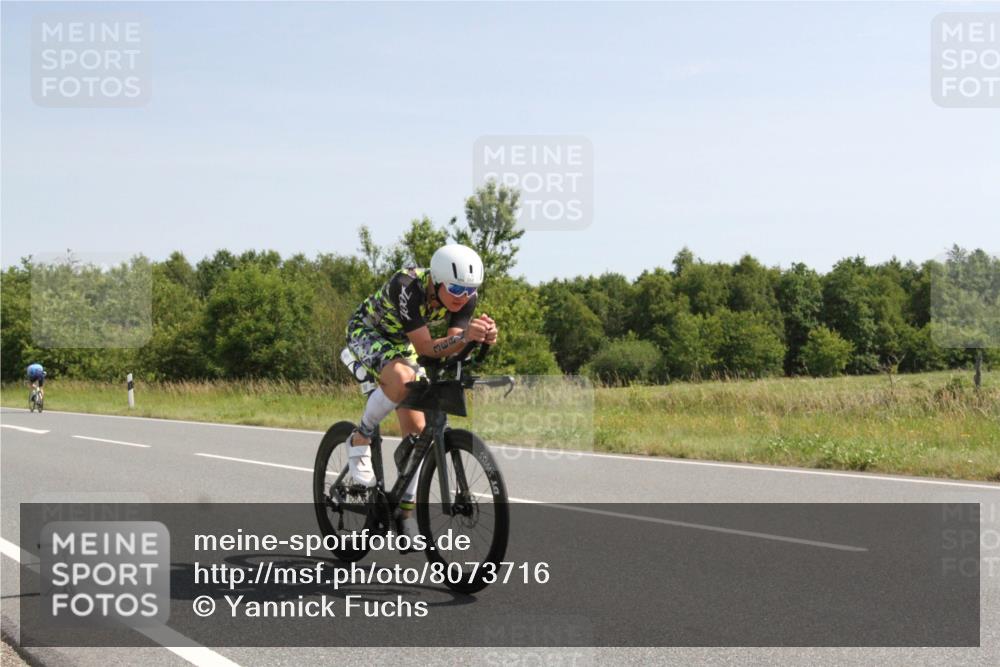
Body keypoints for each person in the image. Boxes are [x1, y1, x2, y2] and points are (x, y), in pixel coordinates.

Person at [343, 244, 498, 523]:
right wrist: (464, 338)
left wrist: (477, 339)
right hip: (367, 332)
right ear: (436, 280)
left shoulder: (464, 297)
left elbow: (452, 346)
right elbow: (427, 347)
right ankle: (360, 436)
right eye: (455, 290)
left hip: (403, 343)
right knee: (402, 379)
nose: (462, 298)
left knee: (418, 433)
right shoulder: (407, 285)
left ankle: (405, 511)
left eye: (469, 290)